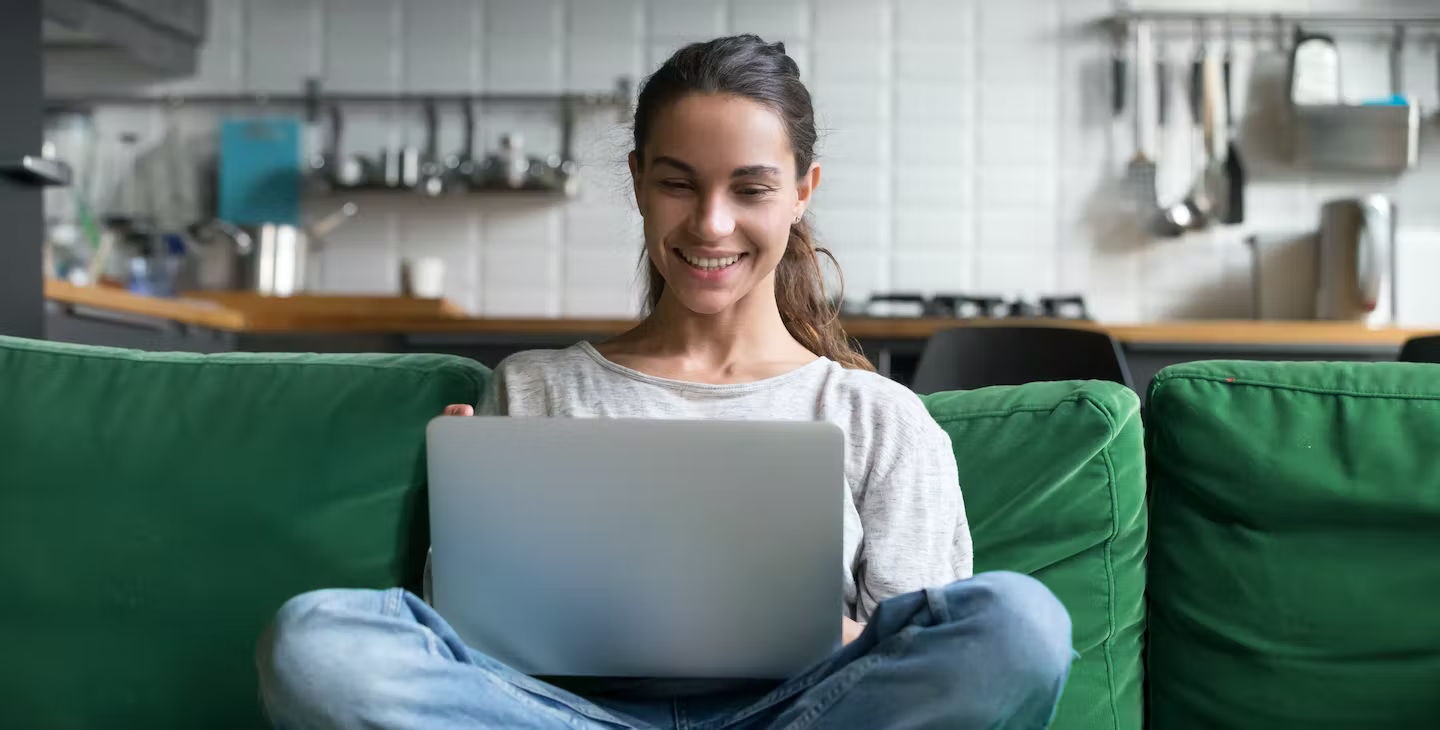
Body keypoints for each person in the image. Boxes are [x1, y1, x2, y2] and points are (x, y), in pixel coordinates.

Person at [256, 35, 1072, 730]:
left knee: (1021, 624)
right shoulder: (535, 389)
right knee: (317, 640)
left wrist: (830, 631)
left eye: (749, 189)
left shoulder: (876, 416)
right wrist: (462, 522)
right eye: (679, 183)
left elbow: (922, 654)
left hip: (799, 713)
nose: (711, 224)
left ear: (801, 193)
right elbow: (476, 649)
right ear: (641, 182)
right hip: (564, 714)